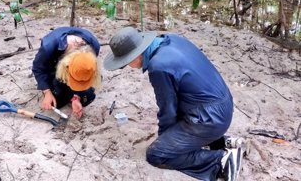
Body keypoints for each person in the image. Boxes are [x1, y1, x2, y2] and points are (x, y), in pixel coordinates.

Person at [103, 26, 244, 181]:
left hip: (210, 118)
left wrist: (165, 141)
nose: (127, 66)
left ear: (135, 56)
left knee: (156, 155)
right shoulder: (172, 39)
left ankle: (221, 160)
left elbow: (167, 111)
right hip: (224, 106)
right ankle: (223, 142)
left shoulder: (158, 67)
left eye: (125, 63)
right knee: (181, 116)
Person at [32, 27, 101, 118]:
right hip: (53, 63)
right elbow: (38, 68)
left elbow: (82, 72)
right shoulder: (48, 47)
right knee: (56, 102)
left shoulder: (94, 45)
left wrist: (76, 98)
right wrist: (47, 92)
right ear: (65, 67)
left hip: (76, 69)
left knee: (87, 97)